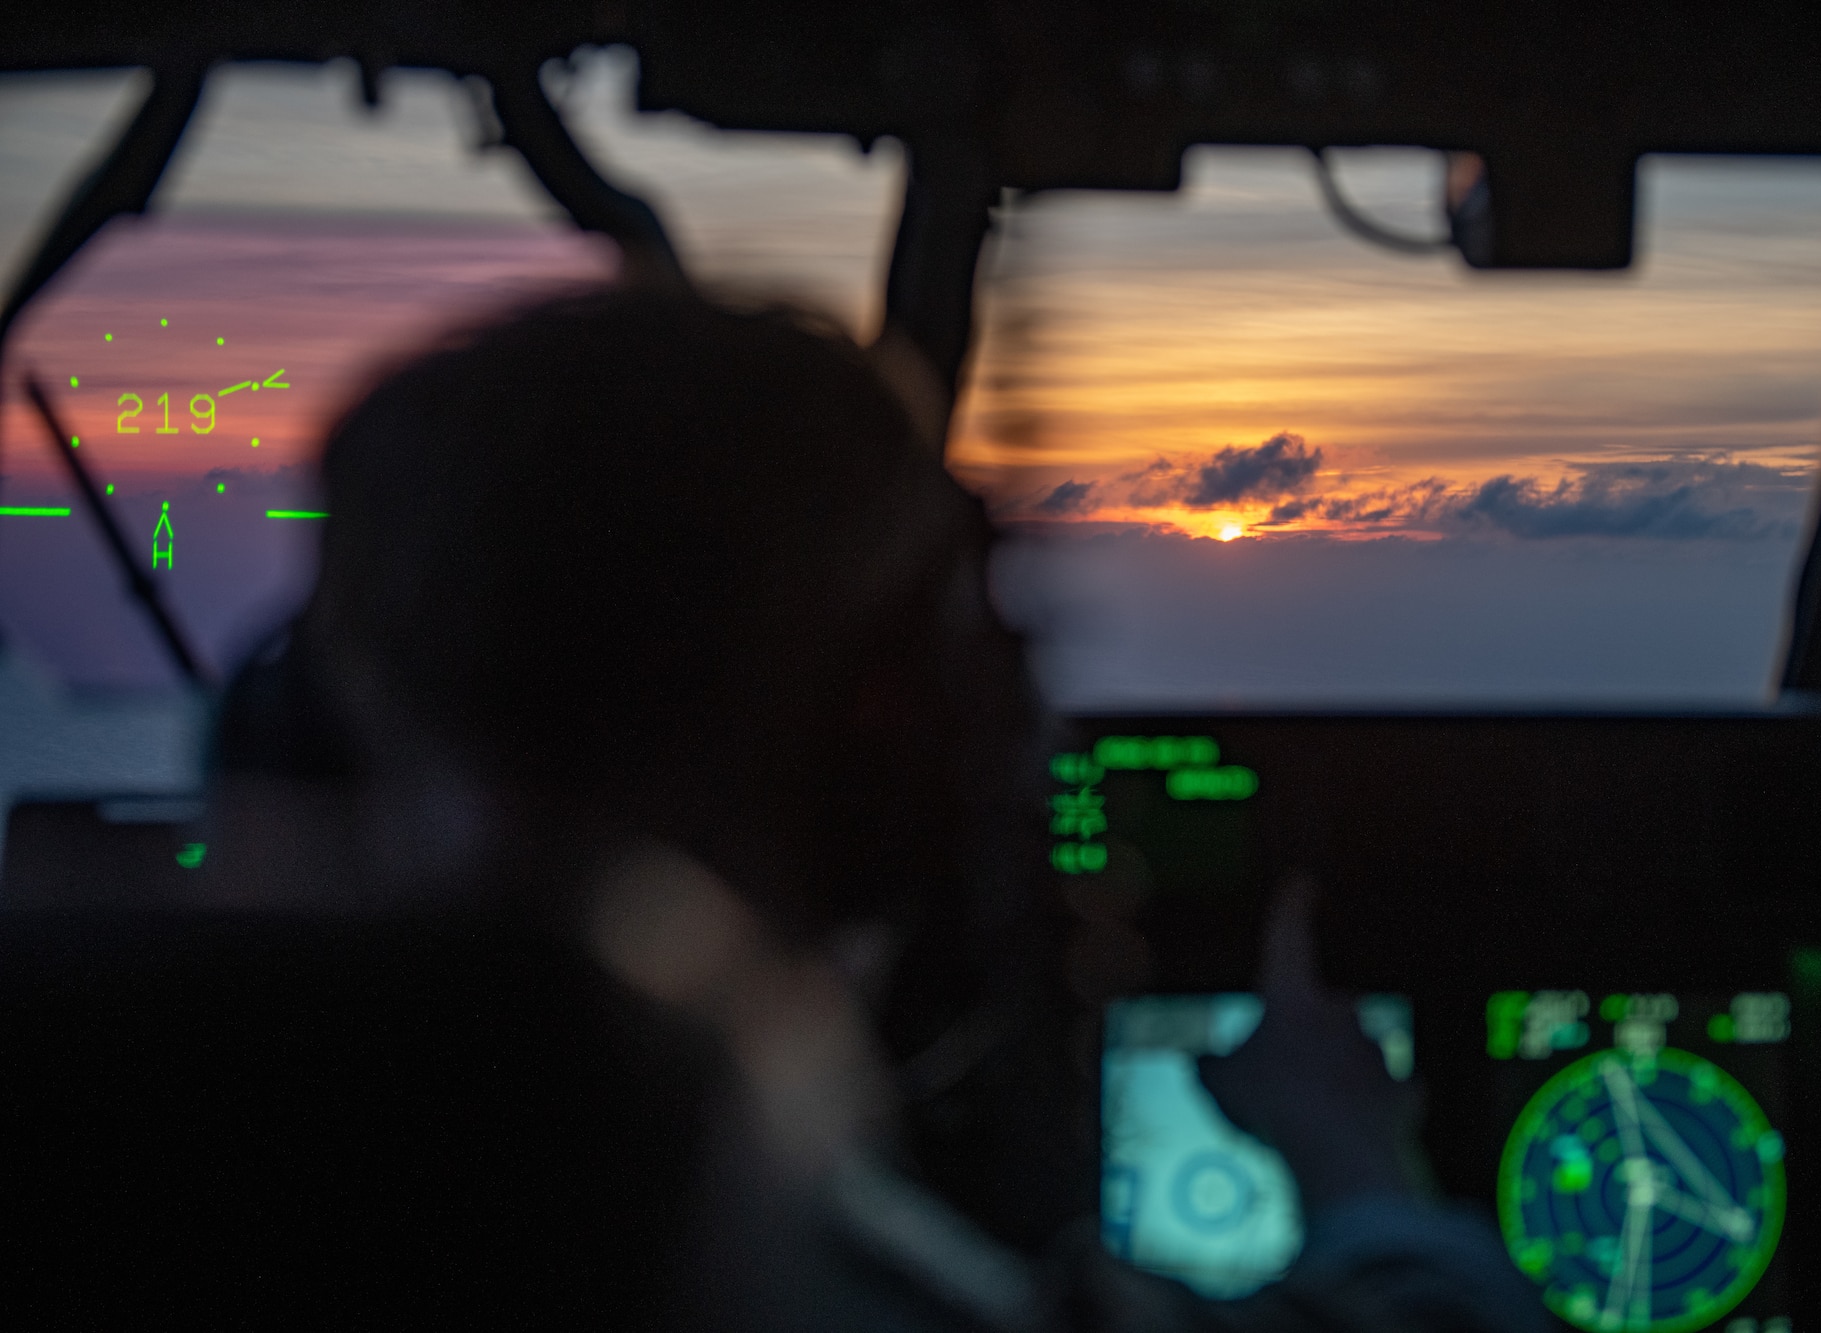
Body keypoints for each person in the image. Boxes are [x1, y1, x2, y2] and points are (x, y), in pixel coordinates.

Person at [153, 288, 1549, 1328]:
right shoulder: (704, 1209)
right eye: (975, 678)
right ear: (899, 718)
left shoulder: (149, 1177)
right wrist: (1355, 1165)